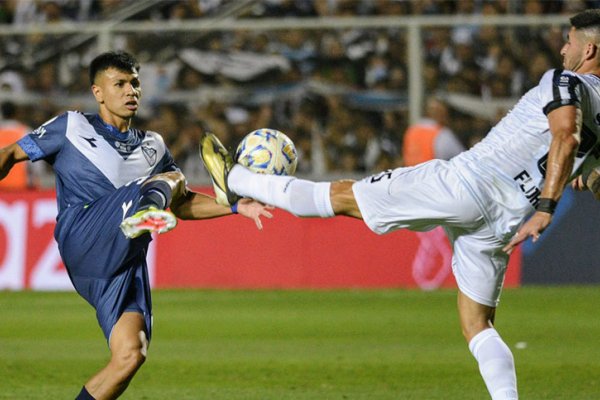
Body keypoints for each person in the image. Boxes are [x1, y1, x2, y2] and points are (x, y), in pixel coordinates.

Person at [199, 9, 600, 400]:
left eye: (568, 42)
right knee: (477, 324)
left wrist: (547, 207)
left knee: (338, 197)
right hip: (501, 223)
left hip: (463, 183)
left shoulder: (563, 81)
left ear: (590, 49)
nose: (563, 50)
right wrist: (576, 177)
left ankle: (235, 178)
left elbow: (564, 134)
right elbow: (589, 172)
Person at [0, 51, 272, 400]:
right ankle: (142, 214)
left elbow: (182, 202)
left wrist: (234, 205)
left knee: (131, 355)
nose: (131, 91)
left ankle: (142, 215)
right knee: (168, 178)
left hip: (122, 262)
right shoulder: (71, 127)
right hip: (85, 234)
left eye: (135, 83)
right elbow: (10, 154)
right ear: (98, 92)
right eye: (120, 84)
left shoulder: (153, 145)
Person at [402, 96, 465, 166]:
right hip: (432, 174)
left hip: (412, 174)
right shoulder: (443, 134)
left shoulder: (412, 130)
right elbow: (463, 159)